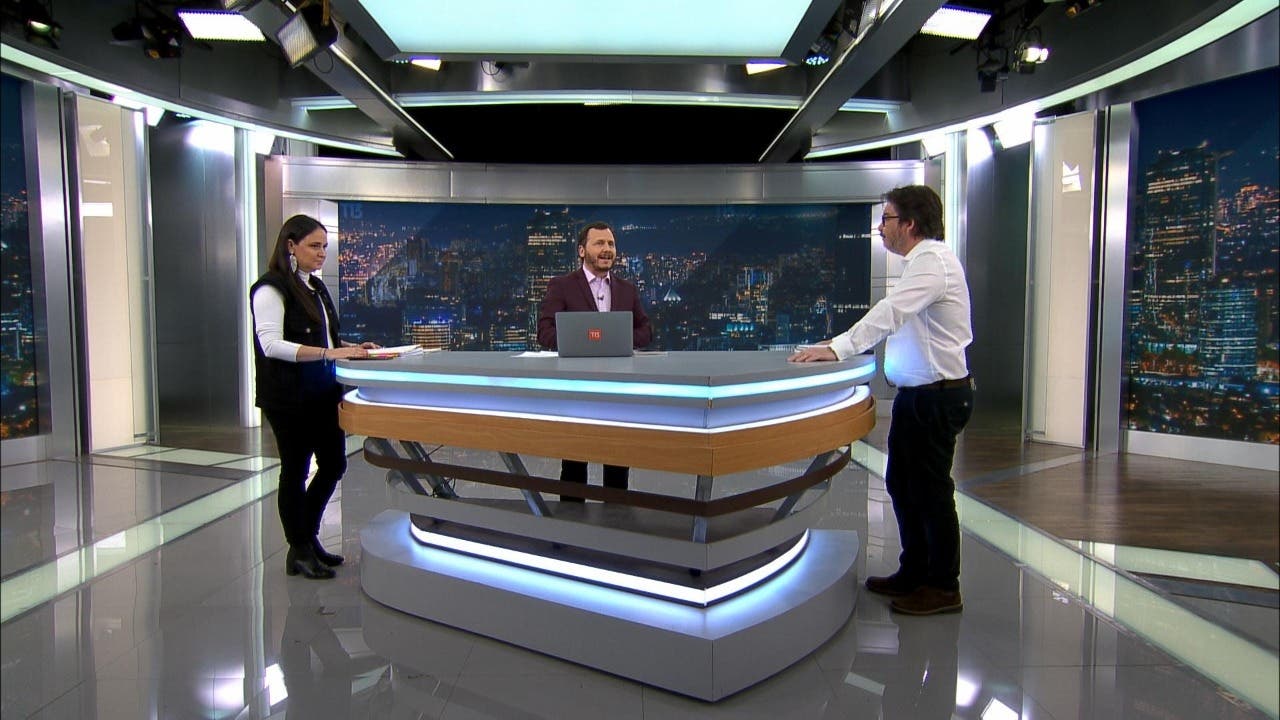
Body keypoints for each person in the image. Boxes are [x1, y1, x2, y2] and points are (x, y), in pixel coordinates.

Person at [791, 185, 973, 615]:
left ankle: (943, 586)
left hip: (936, 399)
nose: (881, 228)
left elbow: (891, 313)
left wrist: (840, 347)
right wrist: (838, 344)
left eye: (887, 219)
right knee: (903, 485)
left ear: (909, 224)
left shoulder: (932, 262)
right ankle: (915, 571)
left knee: (930, 491)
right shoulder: (921, 263)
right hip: (920, 398)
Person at [251, 214, 380, 579]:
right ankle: (300, 546)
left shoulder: (316, 287)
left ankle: (305, 539)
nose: (322, 252)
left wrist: (353, 348)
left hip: (322, 392)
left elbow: (325, 339)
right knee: (295, 471)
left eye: (324, 246)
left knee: (334, 464)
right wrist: (330, 353)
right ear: (291, 246)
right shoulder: (271, 288)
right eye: (314, 245)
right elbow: (271, 344)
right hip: (288, 399)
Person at [537, 221, 653, 501]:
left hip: (618, 391)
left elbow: (646, 330)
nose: (606, 249)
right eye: (599, 243)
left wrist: (619, 339)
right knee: (574, 465)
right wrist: (580, 343)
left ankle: (615, 520)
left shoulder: (627, 289)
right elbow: (544, 331)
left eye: (610, 244)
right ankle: (571, 521)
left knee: (617, 465)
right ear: (582, 250)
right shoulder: (562, 286)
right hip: (576, 389)